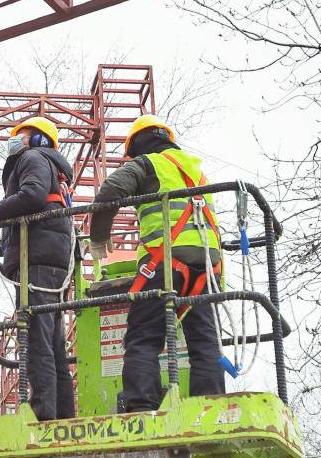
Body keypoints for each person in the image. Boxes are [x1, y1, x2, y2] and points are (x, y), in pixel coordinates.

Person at [85, 115, 225, 413]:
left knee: (144, 336)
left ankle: (141, 407)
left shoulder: (148, 163)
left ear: (138, 144)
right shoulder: (197, 170)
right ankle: (209, 410)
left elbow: (111, 190)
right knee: (205, 342)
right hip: (208, 268)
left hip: (165, 262)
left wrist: (98, 237)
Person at [0, 116, 76, 421]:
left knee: (36, 339)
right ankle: (62, 414)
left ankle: (43, 416)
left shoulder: (33, 157)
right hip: (51, 260)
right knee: (52, 343)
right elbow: (33, 219)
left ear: (38, 139)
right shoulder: (53, 168)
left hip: (36, 261)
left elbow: (31, 197)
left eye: (21, 134)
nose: (14, 140)